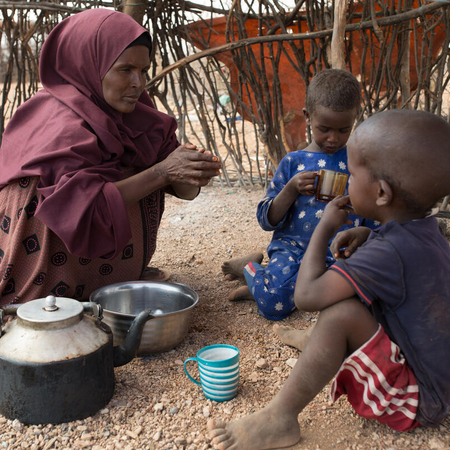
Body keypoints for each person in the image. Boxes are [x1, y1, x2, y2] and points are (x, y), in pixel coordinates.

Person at [207, 109, 450, 450]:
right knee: (349, 289)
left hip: (417, 399)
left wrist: (325, 227)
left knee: (340, 313)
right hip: (438, 378)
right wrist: (368, 232)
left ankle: (280, 417)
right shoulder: (428, 233)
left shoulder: (387, 254)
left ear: (381, 193)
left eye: (351, 174)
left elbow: (306, 297)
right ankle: (319, 346)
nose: (347, 181)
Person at [0, 9, 222, 305]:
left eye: (143, 71)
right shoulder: (58, 124)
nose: (138, 83)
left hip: (106, 267)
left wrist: (192, 169)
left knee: (141, 168)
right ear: (89, 64)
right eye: (125, 69)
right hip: (42, 271)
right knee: (59, 190)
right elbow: (79, 208)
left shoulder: (137, 116)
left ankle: (111, 280)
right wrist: (163, 172)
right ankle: (51, 296)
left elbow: (182, 185)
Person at [221, 69, 377, 320]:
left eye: (343, 130)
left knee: (363, 299)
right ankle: (252, 270)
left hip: (336, 253)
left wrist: (365, 233)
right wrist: (291, 189)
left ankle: (266, 282)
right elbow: (266, 219)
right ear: (307, 117)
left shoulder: (357, 162)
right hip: (292, 249)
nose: (333, 139)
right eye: (324, 128)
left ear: (354, 121)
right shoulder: (293, 163)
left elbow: (372, 214)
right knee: (274, 304)